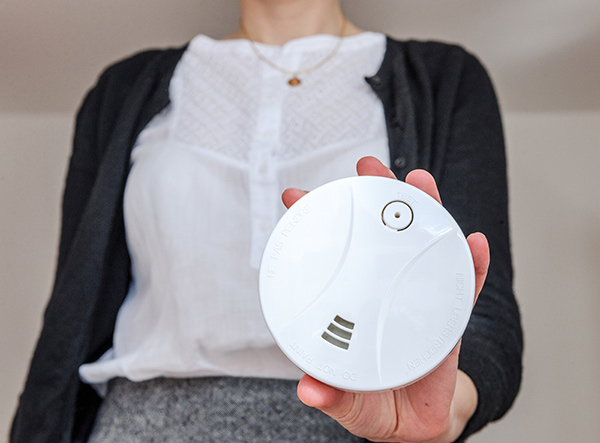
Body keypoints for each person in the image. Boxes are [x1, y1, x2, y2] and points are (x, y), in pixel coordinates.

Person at [10, 0, 523, 442]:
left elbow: (482, 313)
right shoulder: (122, 90)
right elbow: (71, 312)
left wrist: (440, 418)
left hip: (355, 423)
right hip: (138, 421)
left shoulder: (446, 81)